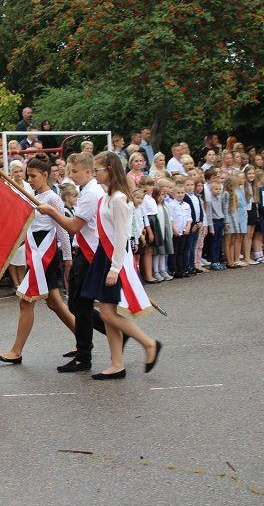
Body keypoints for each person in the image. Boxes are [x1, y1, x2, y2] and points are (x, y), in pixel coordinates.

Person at [80, 152, 161, 379]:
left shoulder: (118, 199)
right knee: (108, 311)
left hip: (113, 258)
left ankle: (148, 343)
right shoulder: (107, 196)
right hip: (103, 256)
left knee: (107, 312)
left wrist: (115, 268)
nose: (95, 172)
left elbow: (121, 236)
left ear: (109, 170)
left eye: (98, 169)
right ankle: (117, 363)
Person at [0, 158, 74, 365]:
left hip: (45, 256)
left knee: (25, 301)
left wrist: (67, 259)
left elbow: (63, 231)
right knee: (55, 304)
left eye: (33, 175)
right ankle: (84, 339)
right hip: (35, 252)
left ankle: (16, 351)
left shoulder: (53, 198)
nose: (30, 179)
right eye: (28, 175)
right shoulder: (33, 196)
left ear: (45, 175)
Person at [35, 152, 109, 372]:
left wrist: (52, 212)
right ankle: (91, 346)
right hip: (87, 252)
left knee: (79, 305)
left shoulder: (90, 194)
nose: (71, 176)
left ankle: (85, 354)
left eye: (75, 171)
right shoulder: (89, 190)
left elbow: (73, 226)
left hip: (89, 254)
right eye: (69, 171)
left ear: (88, 171)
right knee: (79, 305)